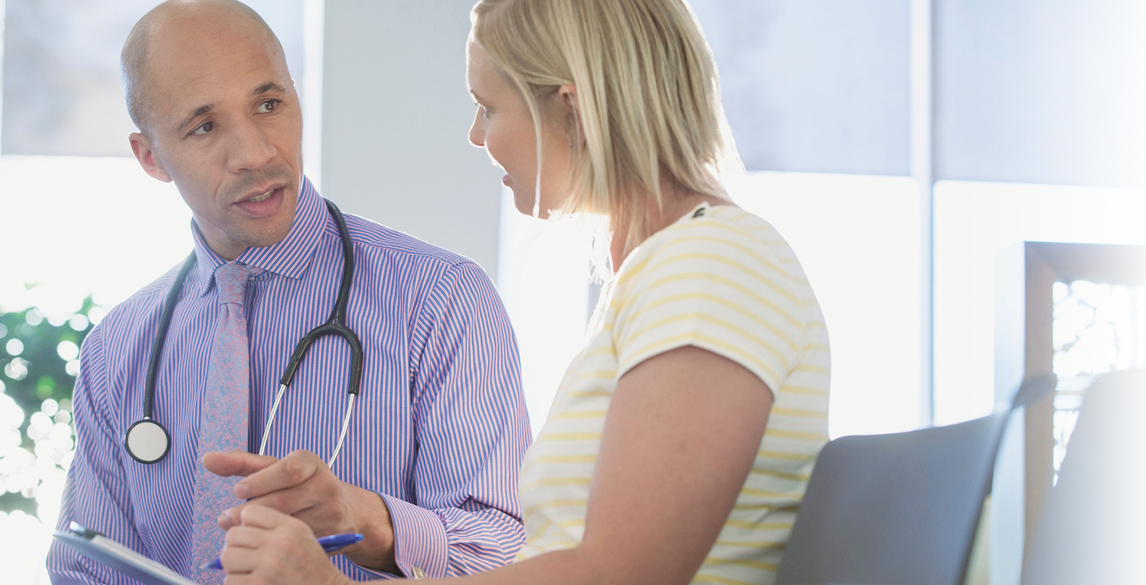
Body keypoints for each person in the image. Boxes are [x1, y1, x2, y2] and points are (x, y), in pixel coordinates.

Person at [217, 0, 831, 584]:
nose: (477, 136)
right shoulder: (664, 274)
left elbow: (621, 576)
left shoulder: (711, 266)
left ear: (571, 110)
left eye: (489, 106)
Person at [46, 1, 531, 583]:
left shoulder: (442, 301)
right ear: (151, 158)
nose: (256, 154)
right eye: (204, 126)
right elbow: (85, 570)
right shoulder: (115, 350)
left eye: (269, 104)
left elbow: (505, 554)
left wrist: (371, 523)